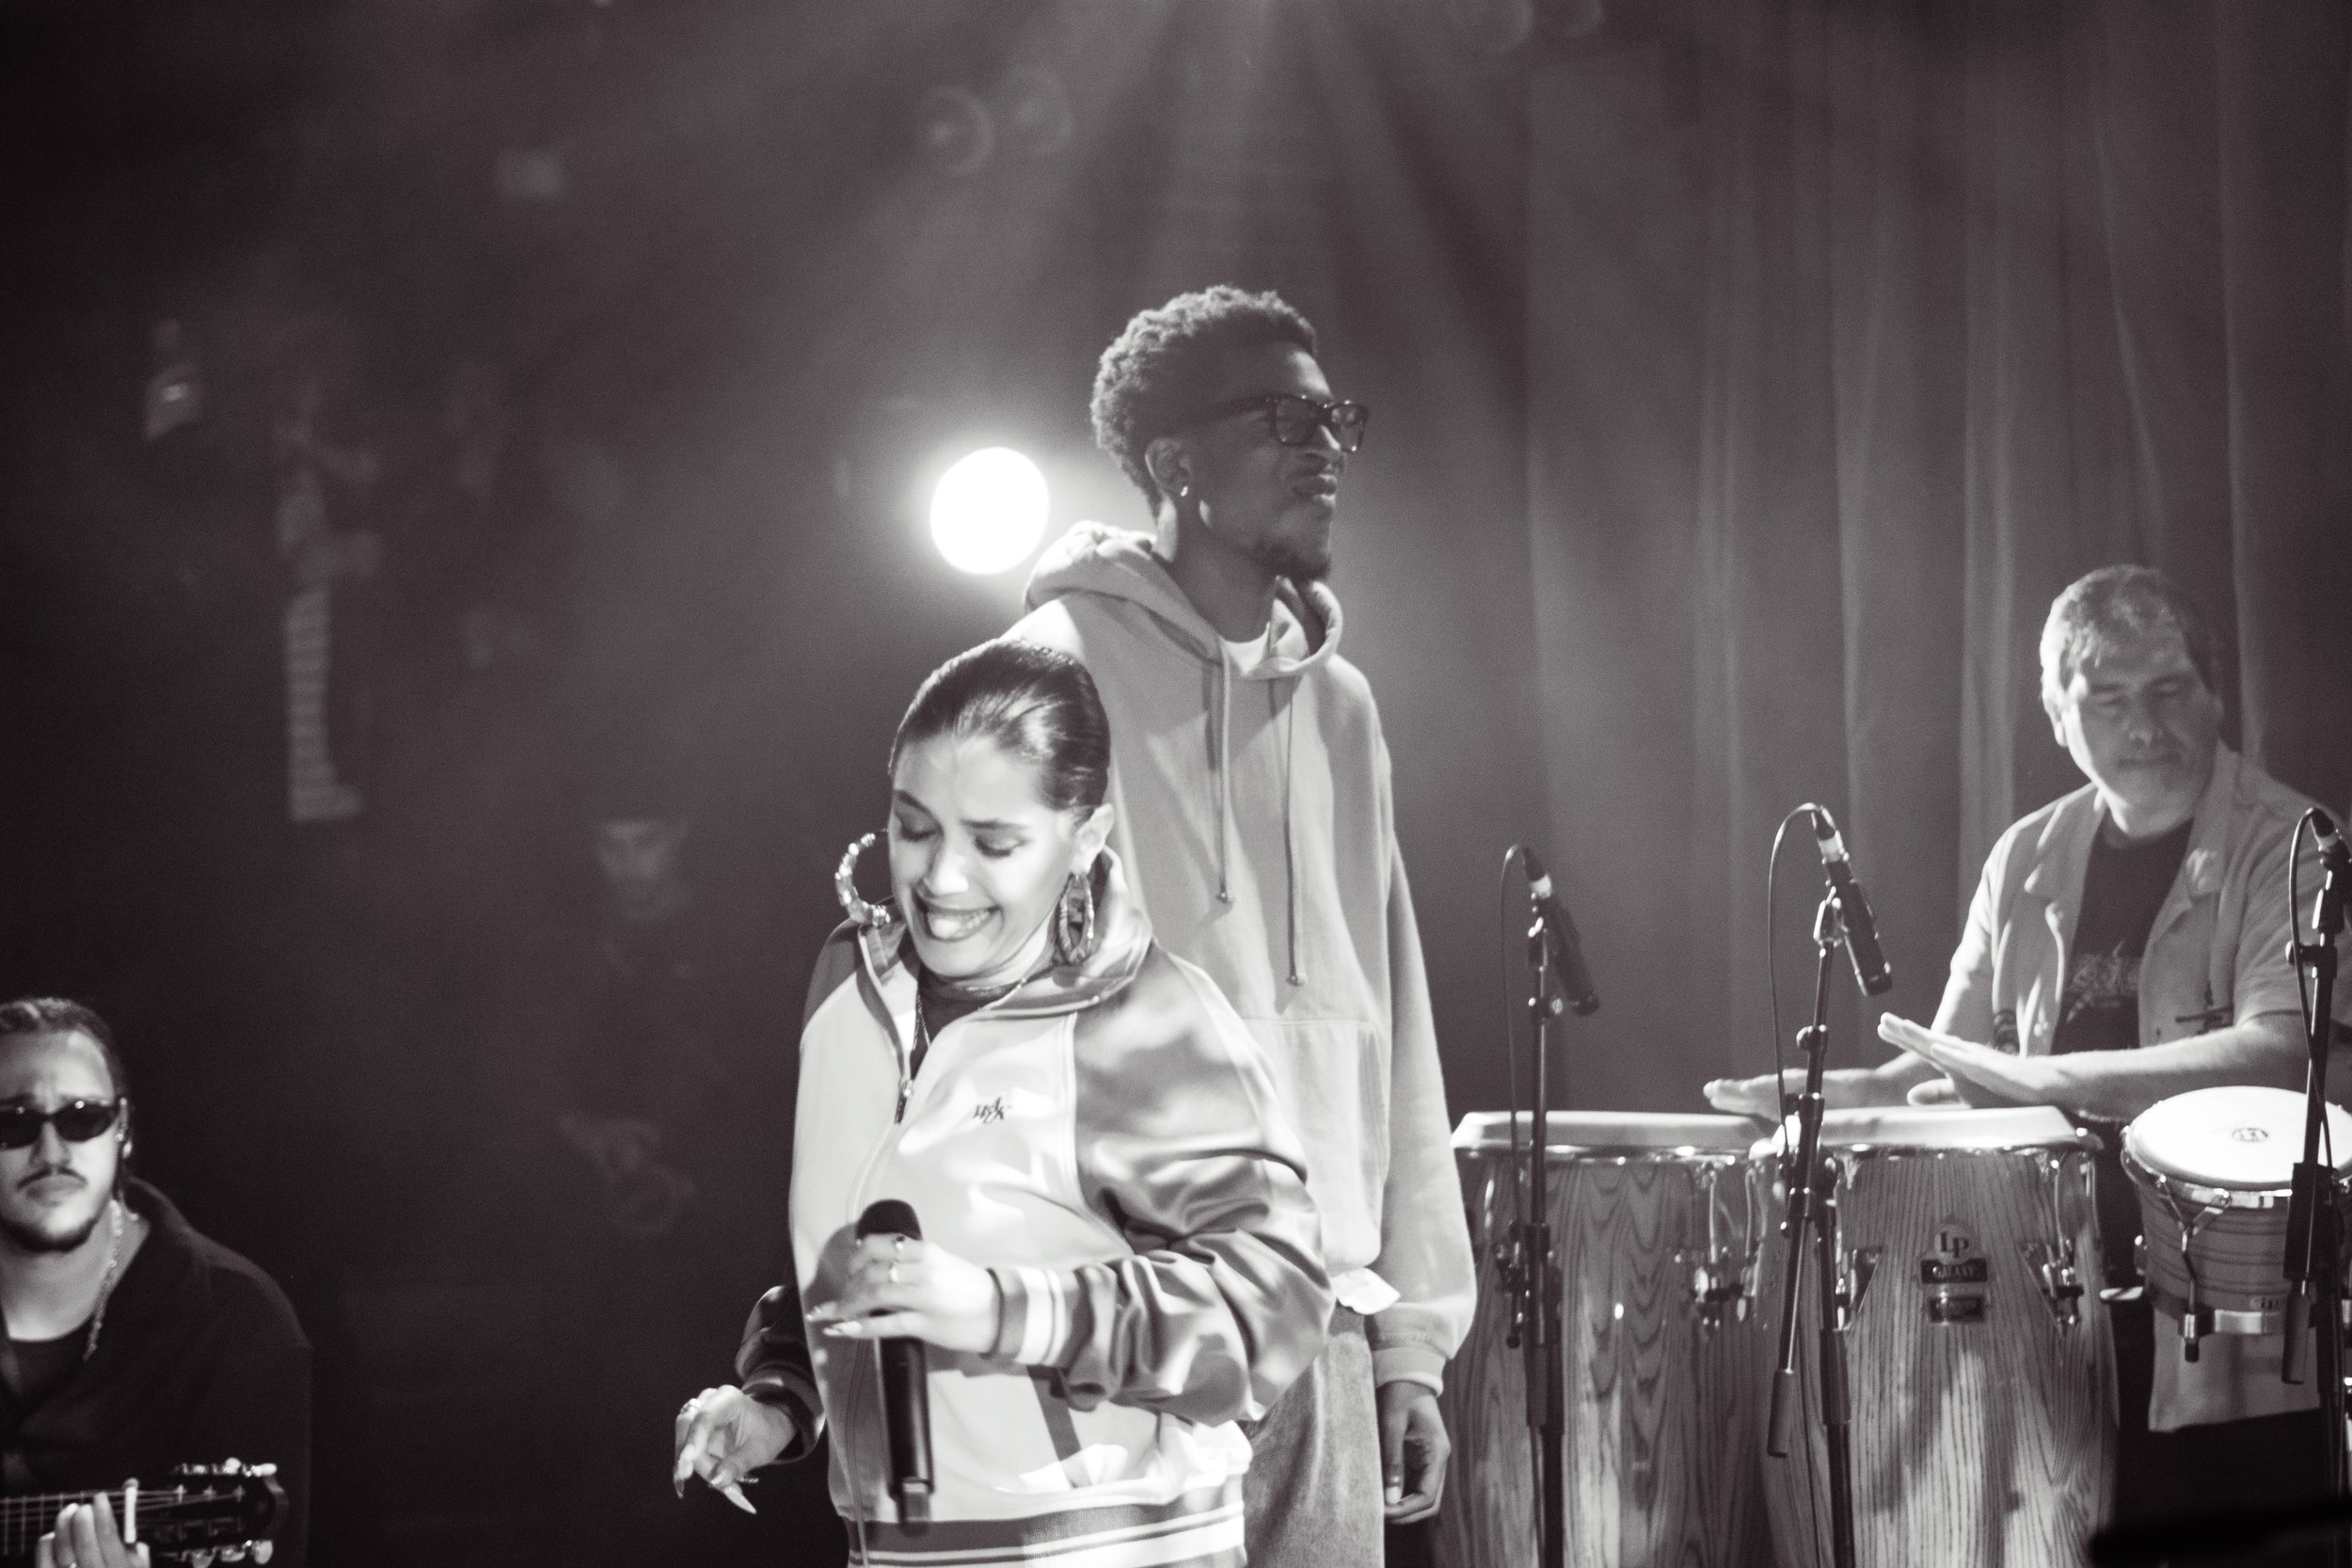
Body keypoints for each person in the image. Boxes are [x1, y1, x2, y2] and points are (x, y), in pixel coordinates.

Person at [1708, 564, 2352, 1548]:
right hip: (2050, 1296)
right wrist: (1828, 1096)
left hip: (2227, 1305)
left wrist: (2045, 1083)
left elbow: (2280, 1051)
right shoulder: (2025, 856)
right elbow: (1951, 1066)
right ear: (2058, 716)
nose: (2145, 723)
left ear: (2216, 694)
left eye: (2169, 688)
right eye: (2108, 698)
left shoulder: (2291, 842)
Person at [673, 640, 1331, 1567]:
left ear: (1086, 838)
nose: (941, 879)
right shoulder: (846, 986)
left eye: (993, 843)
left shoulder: (1145, 1019)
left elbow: (1273, 1306)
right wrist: (782, 1395)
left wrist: (1002, 1308)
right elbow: (856, 1247)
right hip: (895, 1553)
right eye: (914, 828)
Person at [1003, 286, 1476, 1560]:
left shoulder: (1343, 708)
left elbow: (1395, 1032)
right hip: (1121, 1329)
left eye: (1334, 420)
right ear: (1174, 463)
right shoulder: (1046, 677)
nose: (1323, 449)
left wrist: (1410, 1342)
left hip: (1321, 1328)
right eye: (1281, 419)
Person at [0, 998, 310, 1568]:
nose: (51, 1152)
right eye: (13, 1123)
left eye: (82, 1118)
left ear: (122, 1130)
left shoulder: (237, 1322)